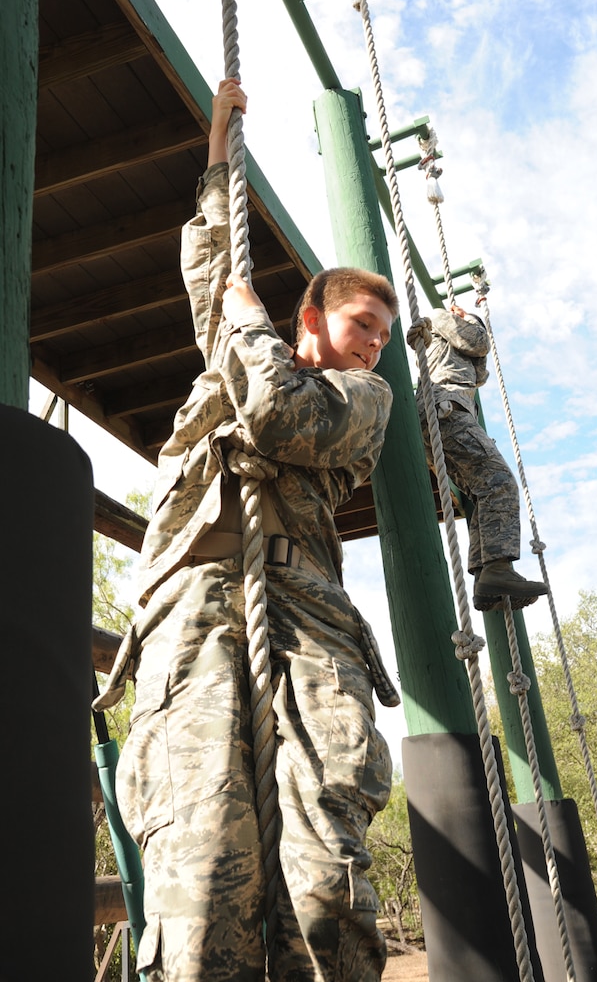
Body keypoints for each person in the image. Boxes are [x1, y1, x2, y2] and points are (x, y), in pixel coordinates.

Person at [95, 79, 401, 982]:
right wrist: (220, 152)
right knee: (199, 871)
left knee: (323, 879)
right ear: (315, 316)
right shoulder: (236, 353)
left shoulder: (362, 400)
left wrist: (250, 325)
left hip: (300, 623)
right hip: (190, 614)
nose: (371, 345)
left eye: (382, 336)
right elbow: (212, 269)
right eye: (359, 325)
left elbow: (277, 414)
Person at [411, 303, 548, 611]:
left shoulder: (460, 357)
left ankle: (485, 578)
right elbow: (477, 342)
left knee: (483, 490)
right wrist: (470, 322)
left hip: (444, 413)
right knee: (499, 483)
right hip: (445, 410)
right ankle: (497, 568)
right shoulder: (438, 316)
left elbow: (481, 372)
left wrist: (476, 342)